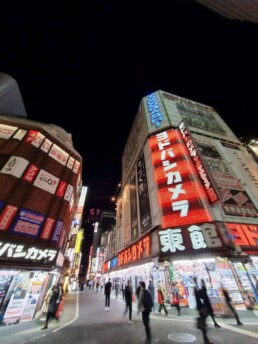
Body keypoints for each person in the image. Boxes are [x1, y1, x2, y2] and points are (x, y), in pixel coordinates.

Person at [194, 278, 213, 344]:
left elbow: (197, 290)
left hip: (201, 310)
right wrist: (202, 283)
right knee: (203, 325)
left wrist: (196, 282)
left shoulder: (198, 294)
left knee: (203, 324)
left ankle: (206, 339)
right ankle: (206, 340)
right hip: (204, 309)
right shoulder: (203, 293)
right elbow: (203, 288)